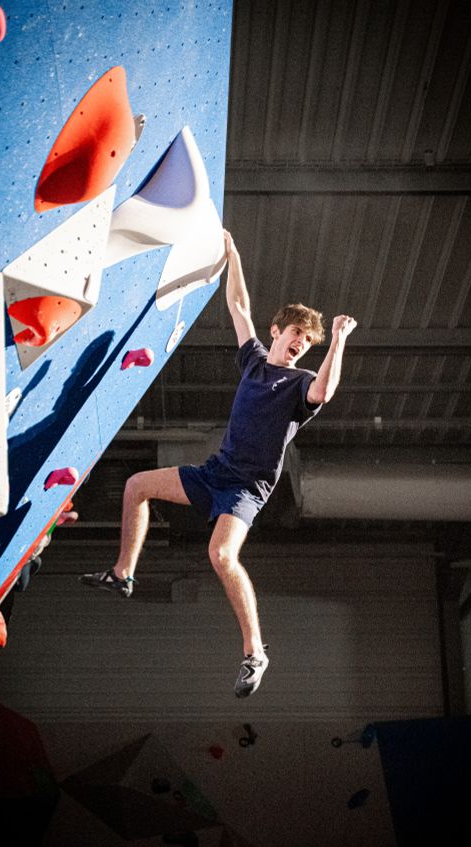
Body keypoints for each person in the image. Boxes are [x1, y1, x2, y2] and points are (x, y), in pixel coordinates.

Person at [81, 230, 356, 697]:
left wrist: (337, 342)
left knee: (221, 555)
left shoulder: (301, 383)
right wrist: (234, 257)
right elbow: (239, 308)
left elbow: (324, 393)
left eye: (306, 343)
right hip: (216, 471)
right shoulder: (253, 360)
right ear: (278, 332)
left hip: (247, 487)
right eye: (296, 336)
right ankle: (123, 574)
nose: (299, 346)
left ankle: (255, 654)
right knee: (135, 486)